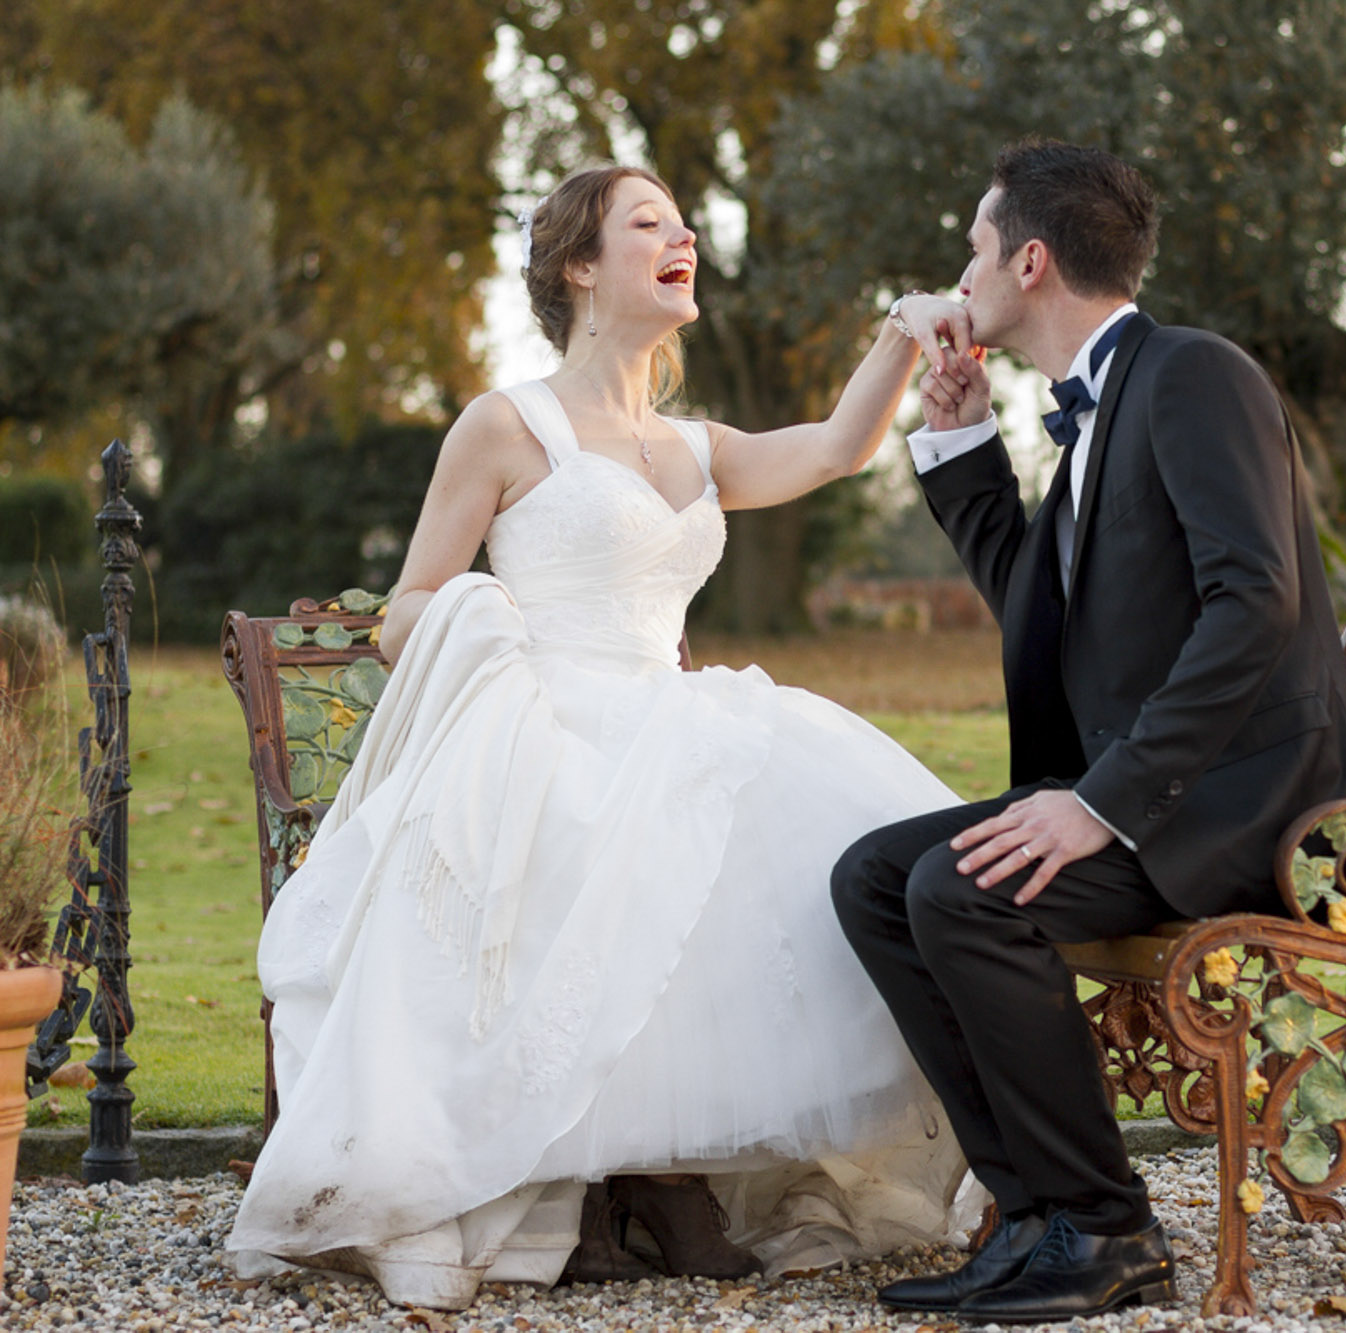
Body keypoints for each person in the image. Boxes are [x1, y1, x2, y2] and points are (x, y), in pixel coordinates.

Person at [225, 164, 986, 1311]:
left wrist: (901, 330)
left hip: (671, 710)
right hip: (546, 723)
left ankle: (678, 1177)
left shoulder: (693, 443)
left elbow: (832, 448)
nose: (681, 240)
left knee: (803, 835)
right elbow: (406, 611)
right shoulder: (506, 423)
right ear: (581, 265)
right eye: (649, 226)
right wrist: (493, 631)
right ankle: (577, 1187)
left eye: (685, 226)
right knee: (600, 831)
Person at [831, 139, 1346, 1324]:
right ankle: (1035, 1215)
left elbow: (1257, 601)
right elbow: (1047, 618)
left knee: (963, 890)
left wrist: (1097, 803)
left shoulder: (1192, 374)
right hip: (1169, 794)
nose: (960, 276)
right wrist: (966, 446)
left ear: (1028, 261)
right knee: (877, 878)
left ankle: (1106, 1226)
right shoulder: (1091, 415)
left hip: (1253, 808)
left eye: (972, 250)